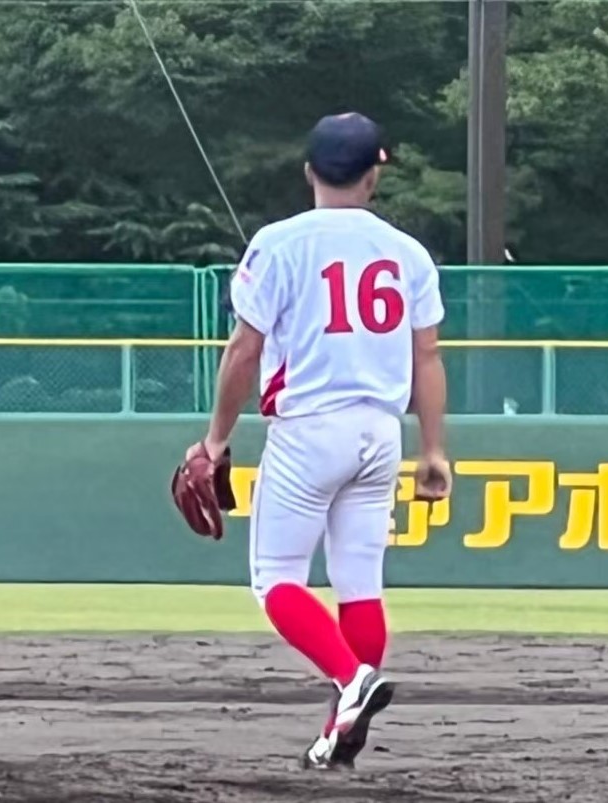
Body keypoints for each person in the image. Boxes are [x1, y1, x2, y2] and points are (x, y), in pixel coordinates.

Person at [185, 112, 451, 770]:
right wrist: (433, 449)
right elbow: (427, 356)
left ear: (309, 171)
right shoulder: (407, 253)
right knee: (359, 583)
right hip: (380, 432)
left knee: (275, 578)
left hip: (309, 429)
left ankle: (351, 680)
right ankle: (339, 730)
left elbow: (243, 351)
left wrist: (215, 441)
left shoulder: (278, 242)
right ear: (374, 176)